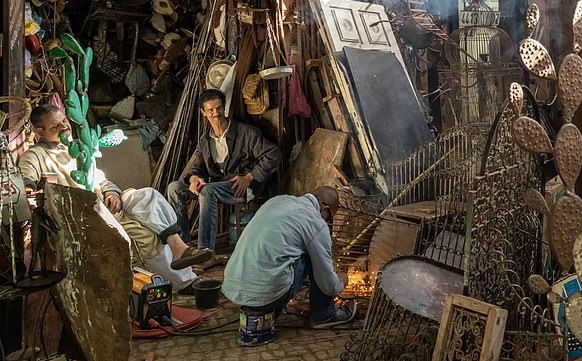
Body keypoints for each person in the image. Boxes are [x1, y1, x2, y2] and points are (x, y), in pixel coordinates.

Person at [18, 103, 212, 292]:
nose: (64, 127)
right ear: (40, 131)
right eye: (55, 126)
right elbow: (27, 183)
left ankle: (180, 256)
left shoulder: (78, 147)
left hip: (106, 206)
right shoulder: (35, 155)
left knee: (148, 195)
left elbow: (101, 178)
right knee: (147, 237)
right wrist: (30, 191)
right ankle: (183, 270)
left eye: (64, 121)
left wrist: (112, 192)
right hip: (83, 216)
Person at [222, 186, 357, 329]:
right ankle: (324, 315)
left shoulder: (277, 201)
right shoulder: (316, 222)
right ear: (325, 209)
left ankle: (270, 306)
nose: (327, 223)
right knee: (312, 255)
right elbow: (328, 284)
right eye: (329, 218)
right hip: (264, 294)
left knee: (292, 250)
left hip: (234, 287)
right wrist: (340, 281)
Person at [166, 88, 282, 253]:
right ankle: (184, 246)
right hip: (217, 186)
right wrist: (193, 178)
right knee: (174, 188)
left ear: (224, 107)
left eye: (219, 108)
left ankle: (205, 251)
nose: (216, 113)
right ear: (203, 112)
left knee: (208, 191)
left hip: (241, 186)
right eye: (211, 110)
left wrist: (250, 176)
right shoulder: (206, 140)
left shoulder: (246, 133)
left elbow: (273, 154)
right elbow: (197, 165)